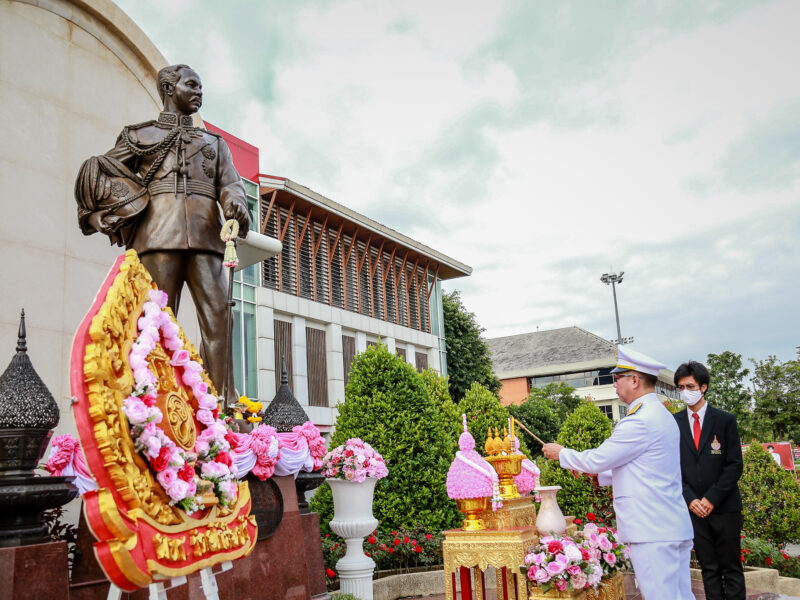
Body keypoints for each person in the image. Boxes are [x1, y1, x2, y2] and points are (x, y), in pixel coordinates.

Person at [76, 64, 250, 404]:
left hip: (207, 239)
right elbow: (99, 175)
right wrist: (100, 216)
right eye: (192, 85)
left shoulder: (215, 143)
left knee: (220, 320)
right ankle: (150, 405)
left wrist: (236, 205)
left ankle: (221, 404)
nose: (200, 92)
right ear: (169, 89)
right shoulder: (139, 137)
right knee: (152, 327)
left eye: (201, 87)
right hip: (156, 239)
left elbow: (231, 185)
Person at [543, 347, 694, 600]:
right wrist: (599, 477)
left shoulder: (639, 420)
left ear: (634, 380)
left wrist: (562, 454)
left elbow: (599, 458)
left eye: (617, 378)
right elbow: (644, 468)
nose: (614, 385)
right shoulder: (662, 416)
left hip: (652, 529)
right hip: (668, 525)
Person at [673, 360, 745, 600]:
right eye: (680, 387)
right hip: (694, 510)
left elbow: (734, 464)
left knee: (731, 568)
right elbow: (671, 468)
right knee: (709, 569)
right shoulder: (674, 423)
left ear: (703, 387)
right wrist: (690, 498)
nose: (685, 392)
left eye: (690, 386)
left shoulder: (724, 420)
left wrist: (711, 498)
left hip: (724, 508)